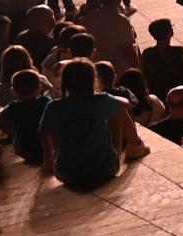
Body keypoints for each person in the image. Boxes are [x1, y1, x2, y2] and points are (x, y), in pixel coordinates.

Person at [40, 58, 148, 190]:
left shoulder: (53, 106)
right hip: (105, 170)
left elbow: (43, 130)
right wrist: (104, 97)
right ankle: (136, 145)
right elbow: (127, 103)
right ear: (93, 80)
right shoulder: (100, 100)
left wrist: (48, 156)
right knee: (118, 111)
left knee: (54, 122)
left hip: (66, 173)